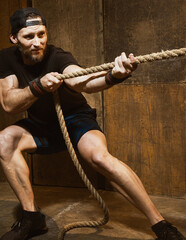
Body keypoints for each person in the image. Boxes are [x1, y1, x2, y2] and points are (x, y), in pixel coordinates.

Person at [0, 7, 185, 240]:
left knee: (99, 157)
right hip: (42, 126)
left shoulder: (57, 56)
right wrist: (37, 86)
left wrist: (114, 75)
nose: (37, 42)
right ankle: (32, 217)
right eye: (29, 37)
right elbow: (8, 103)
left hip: (76, 120)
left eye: (42, 34)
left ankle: (160, 224)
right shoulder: (6, 59)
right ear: (14, 38)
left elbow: (83, 81)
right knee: (4, 140)